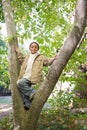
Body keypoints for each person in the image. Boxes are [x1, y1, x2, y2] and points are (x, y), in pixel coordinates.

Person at [15, 41, 55, 110]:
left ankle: (33, 93)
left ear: (37, 49)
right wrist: (18, 51)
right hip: (24, 76)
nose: (34, 48)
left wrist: (53, 58)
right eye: (32, 47)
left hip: (32, 77)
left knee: (19, 83)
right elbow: (20, 59)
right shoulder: (27, 57)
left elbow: (48, 62)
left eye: (35, 47)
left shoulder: (41, 57)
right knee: (23, 89)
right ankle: (27, 103)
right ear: (30, 48)